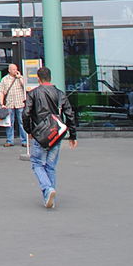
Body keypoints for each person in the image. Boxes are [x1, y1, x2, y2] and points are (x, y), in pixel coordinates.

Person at [22, 66, 78, 209]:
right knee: (51, 166)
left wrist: (29, 130)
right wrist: (73, 135)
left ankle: (48, 190)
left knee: (36, 163)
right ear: (50, 77)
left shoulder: (33, 94)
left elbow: (26, 113)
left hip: (40, 134)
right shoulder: (60, 94)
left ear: (38, 78)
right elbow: (70, 114)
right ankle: (50, 197)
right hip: (56, 133)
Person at [0, 63, 28, 148]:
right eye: (13, 69)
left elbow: (25, 87)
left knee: (22, 122)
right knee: (9, 123)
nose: (15, 71)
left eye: (16, 69)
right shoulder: (4, 80)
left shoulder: (20, 78)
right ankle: (9, 140)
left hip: (20, 103)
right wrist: (1, 103)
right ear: (9, 70)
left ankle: (24, 141)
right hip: (9, 104)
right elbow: (1, 92)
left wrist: (20, 78)